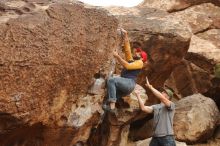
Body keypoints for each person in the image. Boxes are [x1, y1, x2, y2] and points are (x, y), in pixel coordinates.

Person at [102, 28, 147, 113]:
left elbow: (128, 66)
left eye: (138, 53)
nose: (136, 53)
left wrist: (117, 56)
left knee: (111, 80)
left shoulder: (140, 63)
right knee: (109, 93)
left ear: (142, 58)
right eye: (137, 52)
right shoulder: (132, 60)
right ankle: (107, 107)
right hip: (125, 86)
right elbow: (127, 50)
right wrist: (126, 35)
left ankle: (112, 107)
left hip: (129, 83)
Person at [135, 77, 176, 146]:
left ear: (168, 97)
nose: (162, 92)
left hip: (167, 137)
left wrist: (150, 87)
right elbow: (143, 108)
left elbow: (161, 98)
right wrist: (138, 95)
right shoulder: (156, 106)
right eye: (162, 91)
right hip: (156, 137)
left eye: (164, 92)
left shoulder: (171, 105)